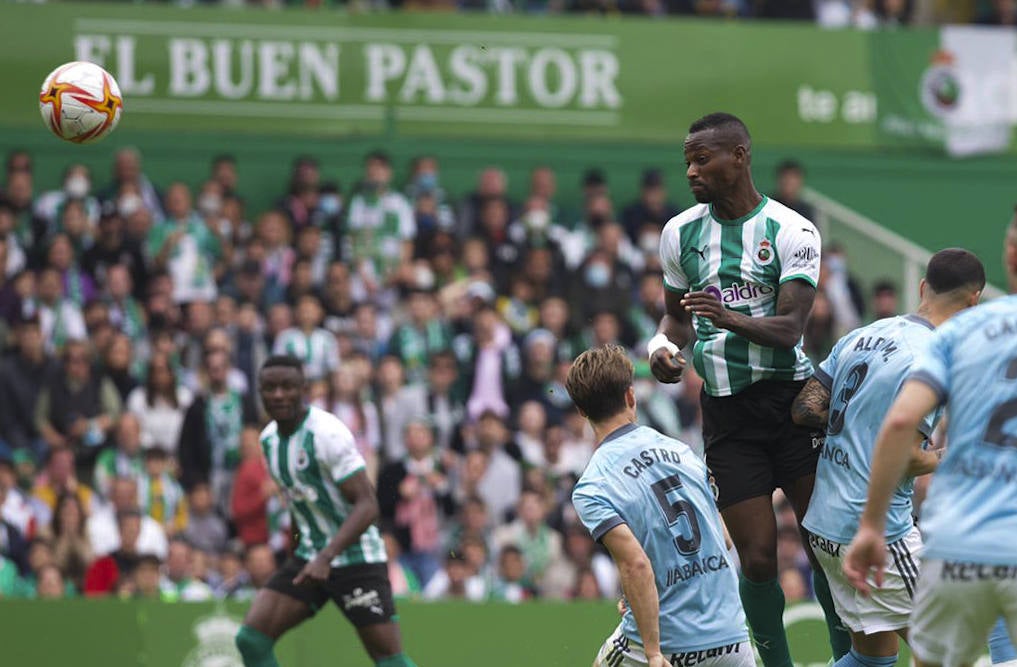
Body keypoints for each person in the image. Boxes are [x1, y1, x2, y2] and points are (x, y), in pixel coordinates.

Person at [648, 112, 848, 665]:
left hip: (793, 409)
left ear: (739, 156)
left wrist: (728, 318)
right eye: (687, 160)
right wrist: (661, 352)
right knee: (758, 558)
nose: (691, 170)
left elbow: (790, 331)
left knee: (823, 548)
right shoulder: (679, 233)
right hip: (728, 418)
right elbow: (676, 321)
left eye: (702, 158)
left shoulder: (792, 230)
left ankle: (848, 658)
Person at [791, 249, 986, 667]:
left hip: (824, 526)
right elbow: (906, 459)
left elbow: (804, 409)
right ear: (974, 303)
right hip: (876, 532)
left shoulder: (862, 334)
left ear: (922, 288)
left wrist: (858, 428)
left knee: (875, 658)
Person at [845, 216, 1017, 667]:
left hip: (966, 535)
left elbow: (901, 421)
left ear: (1009, 255)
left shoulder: (961, 333)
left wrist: (870, 524)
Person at [568, 345, 750, 667]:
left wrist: (653, 652)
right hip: (732, 639)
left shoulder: (593, 485)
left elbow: (636, 565)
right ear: (630, 396)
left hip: (668, 644)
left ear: (582, 411)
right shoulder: (682, 452)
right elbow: (723, 538)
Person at [234, 356, 417, 667]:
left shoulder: (327, 434)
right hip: (311, 557)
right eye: (270, 388)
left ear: (304, 390)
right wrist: (300, 552)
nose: (278, 395)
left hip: (356, 558)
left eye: (287, 387)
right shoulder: (268, 441)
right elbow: (298, 502)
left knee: (389, 660)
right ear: (260, 392)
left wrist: (326, 556)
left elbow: (368, 505)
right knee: (251, 640)